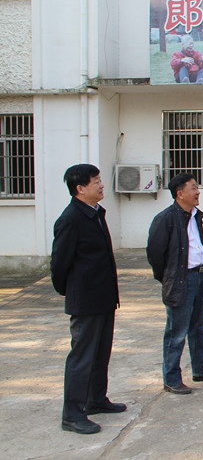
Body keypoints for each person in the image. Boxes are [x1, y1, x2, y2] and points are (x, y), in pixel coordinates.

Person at [51, 164, 126, 434]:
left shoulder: (95, 213)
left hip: (104, 297)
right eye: (96, 181)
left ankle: (96, 399)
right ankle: (72, 414)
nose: (102, 185)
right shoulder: (71, 218)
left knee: (100, 353)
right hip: (85, 301)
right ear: (80, 188)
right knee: (82, 358)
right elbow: (59, 264)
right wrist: (72, 292)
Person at [146, 173, 203, 394]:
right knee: (176, 331)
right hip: (181, 279)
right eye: (193, 188)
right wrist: (169, 278)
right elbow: (155, 254)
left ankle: (201, 369)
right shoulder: (166, 219)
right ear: (180, 194)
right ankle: (171, 378)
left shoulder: (195, 216)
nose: (198, 192)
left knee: (199, 327)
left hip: (199, 276)